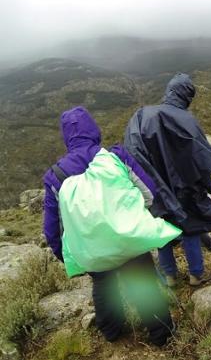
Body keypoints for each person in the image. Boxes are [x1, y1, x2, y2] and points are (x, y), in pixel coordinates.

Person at [42, 106, 175, 346]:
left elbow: (52, 227)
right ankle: (161, 333)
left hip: (92, 247)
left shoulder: (55, 176)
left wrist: (65, 255)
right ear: (94, 129)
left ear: (66, 137)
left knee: (103, 284)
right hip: (128, 238)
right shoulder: (116, 156)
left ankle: (113, 332)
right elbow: (150, 193)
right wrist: (132, 214)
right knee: (141, 280)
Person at [124, 73, 211, 287]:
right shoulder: (187, 119)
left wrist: (144, 184)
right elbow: (202, 155)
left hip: (154, 188)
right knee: (190, 228)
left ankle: (169, 277)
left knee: (161, 232)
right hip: (186, 188)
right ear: (187, 96)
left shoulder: (142, 115)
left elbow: (132, 151)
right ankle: (196, 275)